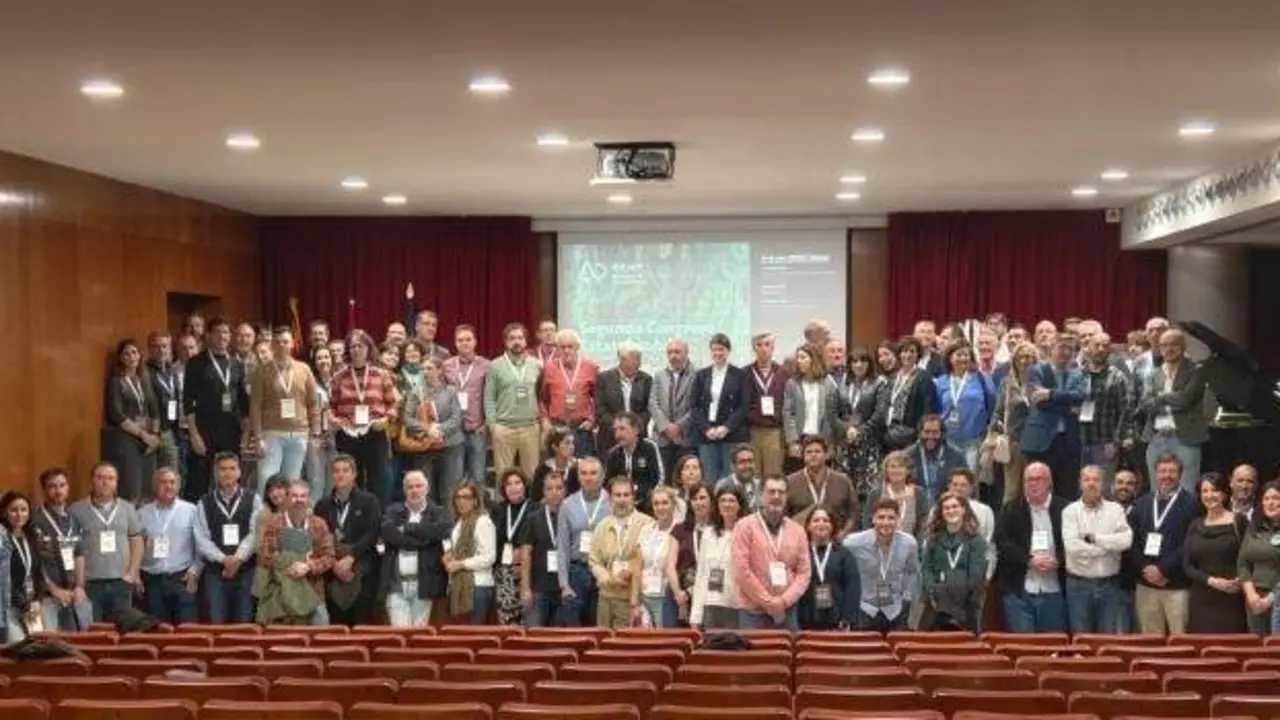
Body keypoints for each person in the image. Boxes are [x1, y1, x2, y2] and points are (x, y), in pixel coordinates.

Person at [1129, 453, 1199, 635]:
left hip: (1177, 585)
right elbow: (1132, 541)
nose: (1167, 475)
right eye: (1163, 471)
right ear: (1156, 473)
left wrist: (1163, 569)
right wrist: (1145, 568)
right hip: (1146, 585)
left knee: (1181, 641)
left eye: (1172, 471)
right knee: (1151, 642)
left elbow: (1190, 543)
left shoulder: (1192, 505)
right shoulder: (1142, 503)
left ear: (1180, 474)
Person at [994, 462, 1068, 633]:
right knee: (1024, 645)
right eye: (1029, 480)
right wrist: (1028, 560)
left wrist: (1059, 560)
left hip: (1055, 589)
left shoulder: (1065, 509)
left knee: (1053, 644)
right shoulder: (1011, 509)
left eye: (1038, 479)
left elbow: (1073, 542)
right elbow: (1002, 543)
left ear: (1049, 482)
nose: (1033, 484)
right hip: (1019, 590)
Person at [731, 475, 811, 630]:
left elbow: (804, 572)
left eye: (781, 492)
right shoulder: (744, 527)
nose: (776, 496)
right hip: (753, 613)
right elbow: (742, 571)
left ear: (786, 497)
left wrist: (783, 601)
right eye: (771, 491)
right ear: (761, 495)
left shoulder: (798, 530)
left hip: (788, 611)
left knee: (788, 647)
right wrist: (769, 602)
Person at [1061, 465, 1134, 634]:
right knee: (1081, 640)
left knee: (1107, 641)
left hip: (1110, 586)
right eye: (1087, 479)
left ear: (1103, 483)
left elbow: (1126, 540)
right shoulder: (1069, 511)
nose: (1091, 483)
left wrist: (1095, 539)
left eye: (1096, 479)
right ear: (1080, 483)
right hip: (1078, 587)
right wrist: (1107, 548)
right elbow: (1072, 547)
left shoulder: (1115, 510)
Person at [183, 318, 249, 502]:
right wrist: (194, 435)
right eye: (218, 332)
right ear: (209, 335)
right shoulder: (196, 363)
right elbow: (187, 401)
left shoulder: (236, 363)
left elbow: (243, 401)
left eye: (226, 332)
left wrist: (246, 432)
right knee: (201, 479)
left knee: (230, 476)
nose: (222, 336)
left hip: (231, 429)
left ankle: (229, 510)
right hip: (204, 429)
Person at [328, 330, 398, 500]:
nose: (356, 350)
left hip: (375, 431)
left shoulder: (382, 375)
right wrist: (333, 419)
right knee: (350, 481)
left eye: (360, 346)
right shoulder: (338, 377)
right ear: (347, 350)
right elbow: (331, 406)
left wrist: (386, 419)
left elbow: (393, 404)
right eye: (352, 347)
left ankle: (377, 514)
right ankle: (351, 513)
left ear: (368, 349)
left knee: (378, 480)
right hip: (347, 434)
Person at [250, 326, 321, 491]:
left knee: (291, 483)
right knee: (267, 479)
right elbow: (255, 406)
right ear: (272, 345)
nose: (281, 345)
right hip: (271, 434)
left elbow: (313, 403)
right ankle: (264, 509)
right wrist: (258, 437)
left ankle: (286, 509)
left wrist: (316, 432)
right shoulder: (262, 370)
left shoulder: (304, 369)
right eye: (277, 342)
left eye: (285, 341)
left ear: (292, 344)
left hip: (299, 434)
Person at [69, 462, 143, 622]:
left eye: (110, 478)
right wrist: (78, 583)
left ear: (116, 482)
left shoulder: (128, 508)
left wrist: (132, 573)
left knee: (122, 628)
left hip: (121, 581)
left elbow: (136, 541)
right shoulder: (76, 510)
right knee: (93, 629)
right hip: (90, 583)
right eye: (100, 478)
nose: (105, 482)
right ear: (92, 480)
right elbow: (72, 549)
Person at [194, 453, 262, 624]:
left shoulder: (253, 499)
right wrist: (224, 559)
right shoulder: (204, 502)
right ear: (215, 473)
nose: (227, 473)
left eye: (232, 468)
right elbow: (201, 539)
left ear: (239, 472)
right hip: (215, 572)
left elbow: (255, 533)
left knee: (244, 622)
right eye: (223, 469)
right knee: (216, 621)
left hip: (246, 570)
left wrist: (238, 559)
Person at [314, 454, 382, 626]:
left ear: (354, 474)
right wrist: (334, 563)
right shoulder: (322, 505)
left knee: (361, 626)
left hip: (361, 568)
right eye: (336, 471)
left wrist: (351, 557)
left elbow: (373, 533)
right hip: (332, 571)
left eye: (345, 470)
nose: (340, 475)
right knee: (335, 628)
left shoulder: (370, 501)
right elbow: (318, 537)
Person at [256, 479, 336, 625]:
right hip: (281, 592)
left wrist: (308, 566)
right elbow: (265, 556)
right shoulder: (274, 524)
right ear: (287, 498)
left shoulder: (319, 524)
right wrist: (291, 564)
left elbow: (330, 557)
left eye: (303, 496)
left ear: (308, 499)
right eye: (294, 496)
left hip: (313, 591)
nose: (299, 500)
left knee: (321, 626)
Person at [1139, 328, 1207, 494]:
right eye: (1164, 345)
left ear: (1183, 346)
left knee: (1186, 490)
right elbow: (1146, 404)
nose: (1168, 349)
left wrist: (1161, 397)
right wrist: (1169, 399)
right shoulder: (1155, 373)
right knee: (1157, 491)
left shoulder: (1196, 371)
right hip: (1157, 436)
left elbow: (1184, 400)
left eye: (1173, 344)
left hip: (1185, 437)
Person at [379, 470, 451, 627]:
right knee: (400, 634)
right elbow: (390, 535)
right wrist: (424, 539)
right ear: (404, 490)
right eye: (410, 487)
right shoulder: (391, 511)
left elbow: (438, 532)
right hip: (396, 586)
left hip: (424, 585)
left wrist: (406, 529)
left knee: (420, 635)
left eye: (419, 486)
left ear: (427, 489)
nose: (414, 490)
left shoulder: (439, 512)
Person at [1022, 336, 1085, 500]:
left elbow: (1080, 396)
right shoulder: (1037, 371)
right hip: (1040, 441)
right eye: (1062, 347)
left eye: (1070, 349)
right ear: (1052, 349)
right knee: (1039, 490)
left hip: (1068, 441)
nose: (1066, 352)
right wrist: (1069, 408)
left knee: (1068, 490)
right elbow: (1040, 403)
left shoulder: (1078, 374)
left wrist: (1050, 394)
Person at [396, 355, 465, 509]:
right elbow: (407, 418)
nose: (425, 372)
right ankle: (429, 522)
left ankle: (449, 522)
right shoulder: (415, 392)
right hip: (424, 448)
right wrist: (428, 430)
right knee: (425, 490)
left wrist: (439, 429)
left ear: (439, 371)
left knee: (450, 490)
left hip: (450, 446)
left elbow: (457, 418)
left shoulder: (451, 392)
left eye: (429, 368)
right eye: (423, 369)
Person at [1183, 472, 1248, 633]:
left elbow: (1249, 558)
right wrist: (1212, 581)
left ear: (1224, 494)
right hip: (1202, 598)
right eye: (1204, 491)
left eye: (1214, 490)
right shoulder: (1195, 525)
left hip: (1232, 597)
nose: (1209, 495)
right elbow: (1187, 565)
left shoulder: (1239, 521)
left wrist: (1241, 580)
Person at [29, 469, 92, 632]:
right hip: (48, 597)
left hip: (73, 595)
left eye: (62, 485)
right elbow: (35, 564)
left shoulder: (73, 519)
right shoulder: (35, 521)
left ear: (68, 488)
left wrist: (80, 586)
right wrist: (54, 590)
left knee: (78, 639)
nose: (58, 491)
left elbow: (79, 555)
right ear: (44, 490)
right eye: (52, 486)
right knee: (50, 642)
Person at [587, 477, 654, 628]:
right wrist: (608, 579)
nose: (622, 500)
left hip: (632, 600)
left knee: (624, 642)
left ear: (633, 498)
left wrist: (631, 572)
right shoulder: (602, 526)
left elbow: (648, 560)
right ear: (610, 499)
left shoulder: (647, 524)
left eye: (626, 495)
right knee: (603, 640)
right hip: (605, 598)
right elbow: (594, 560)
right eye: (617, 495)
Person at [137, 468, 201, 625]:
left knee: (187, 631)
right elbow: (135, 547)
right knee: (158, 631)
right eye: (163, 482)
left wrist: (195, 571)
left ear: (178, 485)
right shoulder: (142, 513)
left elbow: (201, 545)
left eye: (172, 482)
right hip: (152, 580)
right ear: (155, 486)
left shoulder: (191, 510)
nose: (168, 486)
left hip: (182, 578)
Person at [845, 498, 920, 631]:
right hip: (865, 608)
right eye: (881, 517)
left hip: (895, 609)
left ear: (898, 520)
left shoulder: (909, 543)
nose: (886, 522)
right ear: (873, 519)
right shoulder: (853, 543)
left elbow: (912, 572)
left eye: (891, 518)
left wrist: (907, 598)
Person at [920, 491, 989, 631]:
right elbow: (926, 568)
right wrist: (933, 590)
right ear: (941, 513)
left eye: (955, 506)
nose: (951, 511)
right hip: (936, 604)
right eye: (946, 508)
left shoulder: (976, 541)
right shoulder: (933, 540)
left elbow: (976, 575)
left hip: (966, 606)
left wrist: (955, 599)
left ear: (963, 509)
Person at [103, 339, 161, 502]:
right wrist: (143, 435)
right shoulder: (116, 381)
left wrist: (155, 435)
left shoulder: (144, 379)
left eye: (134, 352)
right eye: (126, 354)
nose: (131, 357)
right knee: (132, 489)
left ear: (140, 355)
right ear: (121, 358)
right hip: (128, 439)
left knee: (148, 490)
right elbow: (116, 414)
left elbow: (154, 409)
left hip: (148, 442)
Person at [556, 457, 610, 626]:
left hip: (604, 571)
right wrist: (564, 584)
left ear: (602, 476)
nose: (588, 478)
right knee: (574, 630)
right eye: (584, 473)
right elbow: (562, 547)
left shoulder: (612, 502)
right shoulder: (567, 505)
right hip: (576, 572)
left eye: (593, 473)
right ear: (578, 476)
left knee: (599, 626)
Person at [484, 323, 543, 477]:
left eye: (520, 338)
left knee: (532, 475)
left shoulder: (536, 365)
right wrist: (493, 426)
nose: (516, 341)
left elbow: (541, 396)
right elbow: (489, 398)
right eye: (512, 338)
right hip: (504, 428)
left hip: (530, 428)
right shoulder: (495, 366)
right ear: (505, 341)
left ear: (526, 341)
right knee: (503, 476)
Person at [690, 334, 750, 483]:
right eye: (714, 350)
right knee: (709, 478)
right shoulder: (701, 375)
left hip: (731, 433)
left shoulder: (740, 375)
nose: (717, 353)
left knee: (730, 478)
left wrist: (726, 427)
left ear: (728, 351)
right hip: (707, 434)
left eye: (721, 349)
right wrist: (706, 429)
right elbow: (694, 407)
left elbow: (743, 406)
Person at [985, 341, 1037, 505]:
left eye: (1029, 357)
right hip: (1013, 441)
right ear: (1014, 360)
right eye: (1021, 357)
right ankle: (1009, 519)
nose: (1025, 361)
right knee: (1012, 490)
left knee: (1034, 488)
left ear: (1035, 359)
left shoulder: (1041, 381)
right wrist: (991, 434)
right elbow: (998, 411)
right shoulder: (1006, 383)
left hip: (1037, 443)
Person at [537, 329, 599, 458]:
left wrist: (592, 419)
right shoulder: (549, 368)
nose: (566, 351)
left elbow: (599, 398)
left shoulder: (591, 367)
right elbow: (542, 399)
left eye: (570, 347)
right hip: (557, 428)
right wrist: (545, 420)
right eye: (562, 347)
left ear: (578, 347)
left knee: (581, 467)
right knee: (557, 467)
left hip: (582, 429)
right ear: (557, 348)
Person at [934, 342, 996, 472]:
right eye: (959, 355)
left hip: (974, 439)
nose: (963, 358)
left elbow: (992, 404)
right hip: (948, 439)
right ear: (950, 358)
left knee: (970, 476)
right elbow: (936, 409)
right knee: (951, 476)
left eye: (966, 355)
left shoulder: (981, 378)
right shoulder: (940, 382)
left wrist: (988, 430)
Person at [690, 486, 745, 629]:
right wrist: (695, 616)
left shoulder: (745, 533)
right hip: (711, 603)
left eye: (732, 501)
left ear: (739, 506)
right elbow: (701, 575)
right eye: (723, 500)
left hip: (737, 605)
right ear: (717, 505)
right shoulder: (708, 533)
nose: (727, 504)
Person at [837, 346, 888, 499]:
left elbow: (880, 414)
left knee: (869, 491)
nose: (858, 365)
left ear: (869, 364)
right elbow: (835, 411)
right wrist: (847, 429)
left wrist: (860, 431)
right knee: (845, 489)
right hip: (847, 441)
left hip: (869, 442)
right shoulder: (843, 382)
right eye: (854, 361)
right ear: (850, 364)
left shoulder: (879, 383)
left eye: (863, 361)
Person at [442, 325, 490, 487]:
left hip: (477, 428)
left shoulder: (486, 365)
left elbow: (490, 396)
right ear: (455, 343)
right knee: (455, 477)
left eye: (468, 339)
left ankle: (479, 504)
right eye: (460, 340)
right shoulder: (447, 365)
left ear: (475, 341)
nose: (464, 343)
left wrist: (487, 423)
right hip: (454, 430)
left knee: (478, 476)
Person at [518, 470, 566, 627]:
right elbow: (526, 554)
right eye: (549, 488)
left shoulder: (572, 516)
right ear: (544, 491)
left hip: (565, 588)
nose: (554, 492)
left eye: (559, 488)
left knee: (562, 637)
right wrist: (525, 588)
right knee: (534, 635)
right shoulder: (533, 518)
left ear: (564, 490)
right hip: (539, 588)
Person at [798, 507, 859, 630]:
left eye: (825, 520)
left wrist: (847, 618)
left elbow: (852, 587)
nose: (821, 523)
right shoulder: (800, 554)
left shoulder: (845, 555)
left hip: (837, 619)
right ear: (808, 526)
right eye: (816, 520)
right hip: (804, 618)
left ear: (832, 526)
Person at [784, 436, 858, 538]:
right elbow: (783, 516)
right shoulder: (790, 482)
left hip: (835, 540)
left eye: (817, 451)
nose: (813, 455)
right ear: (803, 456)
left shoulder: (843, 481)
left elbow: (853, 513)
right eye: (809, 452)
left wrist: (843, 533)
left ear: (826, 455)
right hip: (800, 540)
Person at [445, 481, 497, 624]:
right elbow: (458, 550)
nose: (461, 501)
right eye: (458, 497)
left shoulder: (483, 521)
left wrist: (461, 564)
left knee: (474, 633)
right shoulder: (459, 522)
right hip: (459, 586)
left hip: (478, 586)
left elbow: (489, 557)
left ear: (475, 501)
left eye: (466, 497)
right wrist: (449, 555)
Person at [782, 344, 841, 463]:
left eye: (803, 357)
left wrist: (831, 442)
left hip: (823, 439)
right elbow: (788, 413)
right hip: (801, 438)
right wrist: (793, 441)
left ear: (813, 359)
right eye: (798, 358)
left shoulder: (828, 382)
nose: (799, 361)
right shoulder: (792, 383)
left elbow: (834, 413)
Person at [650, 338, 698, 481]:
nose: (673, 356)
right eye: (670, 352)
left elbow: (697, 406)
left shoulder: (697, 375)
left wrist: (678, 427)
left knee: (686, 480)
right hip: (662, 438)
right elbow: (653, 403)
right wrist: (666, 427)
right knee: (664, 480)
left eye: (677, 352)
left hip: (686, 438)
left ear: (686, 353)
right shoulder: (659, 375)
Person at [491, 469, 532, 626]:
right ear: (504, 489)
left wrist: (523, 555)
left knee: (527, 621)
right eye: (509, 484)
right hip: (504, 570)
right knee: (508, 623)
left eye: (517, 483)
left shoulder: (536, 508)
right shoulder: (498, 510)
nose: (513, 487)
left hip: (528, 569)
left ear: (525, 485)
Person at [1239, 478, 1280, 635]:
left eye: (1275, 498)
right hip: (1255, 599)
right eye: (1266, 499)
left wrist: (1269, 600)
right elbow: (1243, 563)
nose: (1270, 503)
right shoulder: (1254, 527)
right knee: (1257, 646)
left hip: (1276, 598)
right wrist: (1251, 594)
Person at [604, 412, 665, 514]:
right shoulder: (613, 453)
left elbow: (659, 479)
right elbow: (608, 483)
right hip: (620, 504)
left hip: (646, 503)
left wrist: (643, 497)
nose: (618, 434)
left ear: (636, 430)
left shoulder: (649, 448)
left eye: (622, 429)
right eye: (615, 430)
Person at [1, 491, 43, 641]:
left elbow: (37, 572)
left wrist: (37, 599)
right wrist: (23, 603)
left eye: (24, 510)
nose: (19, 514)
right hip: (9, 606)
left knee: (38, 647)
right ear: (4, 512)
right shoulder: (2, 539)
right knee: (18, 646)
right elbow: (3, 578)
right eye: (14, 510)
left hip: (31, 605)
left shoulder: (31, 536)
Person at [884, 337, 936, 451]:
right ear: (899, 354)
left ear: (918, 355)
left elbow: (927, 409)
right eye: (904, 351)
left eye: (912, 351)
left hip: (910, 434)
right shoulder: (893, 377)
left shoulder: (923, 378)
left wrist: (922, 433)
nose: (907, 355)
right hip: (890, 431)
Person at [864, 451, 929, 540]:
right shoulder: (876, 494)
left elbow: (924, 523)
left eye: (901, 466)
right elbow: (867, 523)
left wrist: (915, 543)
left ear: (908, 471)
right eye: (892, 467)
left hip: (911, 544)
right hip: (879, 544)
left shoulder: (918, 493)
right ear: (886, 470)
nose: (896, 471)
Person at [671, 483, 711, 622]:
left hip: (710, 595)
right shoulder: (680, 529)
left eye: (702, 498)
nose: (698, 503)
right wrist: (679, 595)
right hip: (682, 597)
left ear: (711, 500)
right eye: (694, 499)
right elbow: (669, 565)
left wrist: (691, 591)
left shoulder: (718, 529)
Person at [908, 415, 968, 502]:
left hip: (946, 506)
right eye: (927, 432)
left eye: (935, 432)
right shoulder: (908, 456)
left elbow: (966, 487)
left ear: (942, 434)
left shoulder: (957, 458)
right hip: (916, 506)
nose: (930, 436)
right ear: (920, 433)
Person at [531, 427, 580, 501]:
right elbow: (536, 497)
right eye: (567, 443)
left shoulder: (578, 467)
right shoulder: (543, 469)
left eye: (572, 443)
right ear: (555, 447)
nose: (572, 447)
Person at [714, 445, 762, 512]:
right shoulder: (723, 485)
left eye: (750, 461)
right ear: (733, 466)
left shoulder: (760, 485)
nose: (747, 466)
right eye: (742, 462)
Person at [671, 454, 706, 524]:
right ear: (679, 473)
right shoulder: (673, 499)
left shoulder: (708, 496)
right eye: (686, 468)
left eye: (695, 468)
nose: (691, 472)